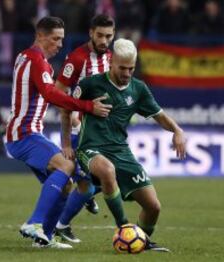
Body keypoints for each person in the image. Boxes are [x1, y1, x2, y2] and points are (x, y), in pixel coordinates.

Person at [4, 16, 111, 249]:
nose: (60, 44)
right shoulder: (36, 60)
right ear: (40, 35)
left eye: (62, 39)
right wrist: (85, 106)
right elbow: (50, 94)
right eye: (55, 39)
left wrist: (71, 110)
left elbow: (46, 93)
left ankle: (45, 239)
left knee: (66, 184)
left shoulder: (26, 56)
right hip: (24, 133)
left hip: (28, 133)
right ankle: (34, 223)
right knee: (67, 166)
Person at [74, 38, 186, 251]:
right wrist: (66, 141)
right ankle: (124, 227)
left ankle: (140, 242)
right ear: (111, 62)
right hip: (91, 148)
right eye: (122, 68)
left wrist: (178, 131)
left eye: (131, 68)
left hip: (120, 150)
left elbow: (160, 116)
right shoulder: (90, 84)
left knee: (153, 207)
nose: (127, 73)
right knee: (107, 170)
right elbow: (66, 107)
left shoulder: (138, 89)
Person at [54, 14, 115, 243]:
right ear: (91, 33)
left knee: (110, 178)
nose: (104, 40)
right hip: (82, 131)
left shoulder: (110, 57)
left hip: (103, 132)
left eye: (108, 36)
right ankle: (60, 225)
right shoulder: (77, 59)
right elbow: (58, 95)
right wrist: (67, 141)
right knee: (88, 184)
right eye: (100, 35)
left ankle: (84, 197)